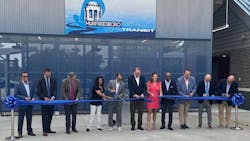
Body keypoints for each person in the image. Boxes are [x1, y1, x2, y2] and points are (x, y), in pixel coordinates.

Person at [14, 72, 36, 138]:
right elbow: (16, 95)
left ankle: (30, 131)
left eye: (27, 76)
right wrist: (24, 98)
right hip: (22, 105)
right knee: (21, 119)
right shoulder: (18, 85)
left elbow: (34, 92)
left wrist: (34, 97)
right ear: (21, 77)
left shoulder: (31, 84)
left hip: (30, 104)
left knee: (29, 119)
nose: (26, 77)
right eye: (24, 76)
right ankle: (20, 132)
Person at [37, 68, 57, 136]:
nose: (49, 75)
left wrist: (53, 96)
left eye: (50, 74)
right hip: (44, 102)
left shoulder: (53, 80)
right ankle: (44, 131)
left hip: (51, 101)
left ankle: (48, 129)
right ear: (45, 73)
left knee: (50, 115)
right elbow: (39, 92)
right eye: (48, 74)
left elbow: (55, 89)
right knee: (44, 116)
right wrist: (44, 98)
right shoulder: (40, 81)